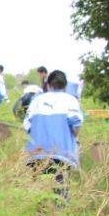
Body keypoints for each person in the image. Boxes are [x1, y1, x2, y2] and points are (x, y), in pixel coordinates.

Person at [24, 69, 83, 203]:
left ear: (48, 85)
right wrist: (73, 137)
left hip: (37, 151)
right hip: (62, 152)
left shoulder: (37, 100)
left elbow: (26, 124)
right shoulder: (70, 100)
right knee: (60, 189)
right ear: (65, 86)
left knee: (39, 189)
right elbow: (76, 122)